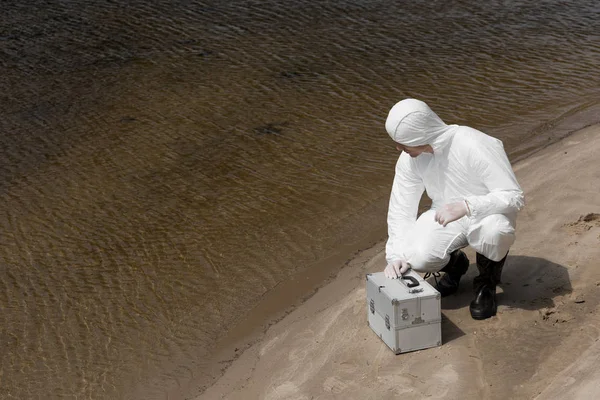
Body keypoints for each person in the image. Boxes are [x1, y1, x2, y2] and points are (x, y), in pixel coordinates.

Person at [382, 99, 524, 320]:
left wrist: (468, 206)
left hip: (488, 213)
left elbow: (513, 196)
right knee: (415, 257)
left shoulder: (474, 143)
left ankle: (486, 284)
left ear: (419, 136)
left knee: (495, 233)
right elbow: (401, 207)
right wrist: (396, 255)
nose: (398, 148)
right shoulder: (409, 160)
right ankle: (457, 266)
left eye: (402, 142)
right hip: (444, 214)